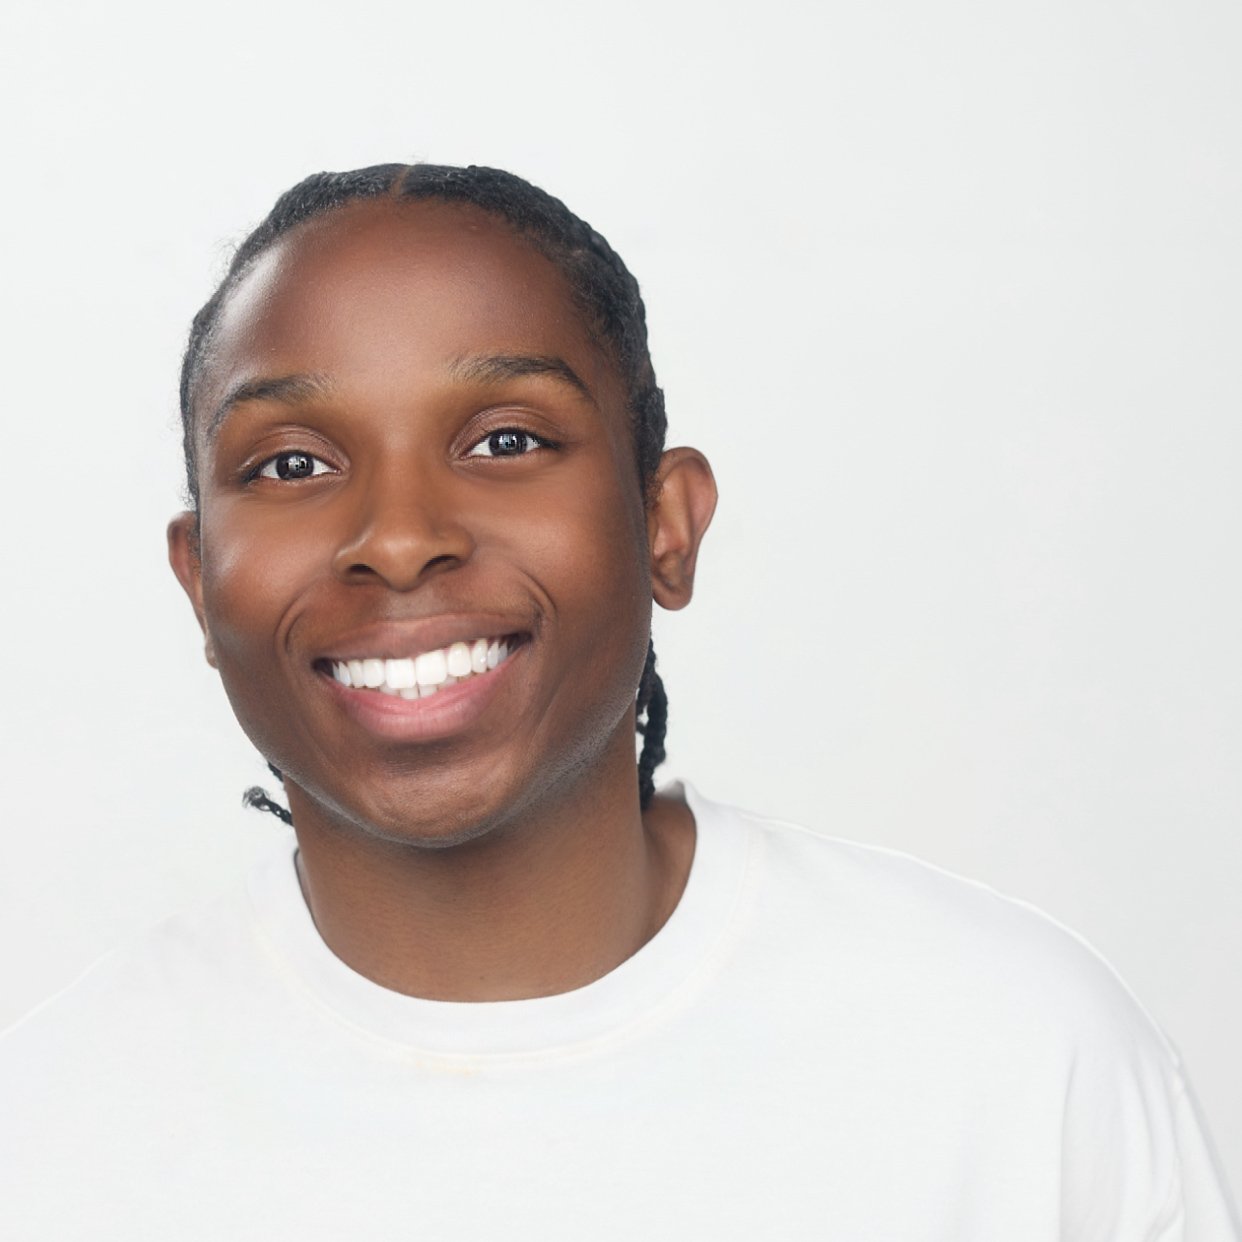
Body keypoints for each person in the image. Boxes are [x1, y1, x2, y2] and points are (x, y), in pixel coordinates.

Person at [1, 163, 1237, 1240]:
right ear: (197, 578)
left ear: (664, 525)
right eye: (290, 464)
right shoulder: (50, 1136)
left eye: (503, 441)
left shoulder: (1018, 1064)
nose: (399, 538)